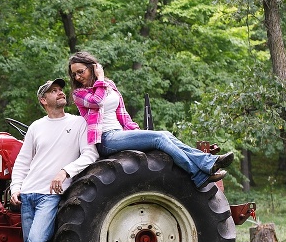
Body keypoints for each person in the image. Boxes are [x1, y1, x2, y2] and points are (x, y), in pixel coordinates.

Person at [67, 51, 233, 188]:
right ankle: (198, 172)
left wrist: (137, 132)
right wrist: (100, 79)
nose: (77, 77)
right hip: (105, 139)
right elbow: (98, 101)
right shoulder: (79, 94)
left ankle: (207, 163)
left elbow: (122, 114)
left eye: (80, 71)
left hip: (119, 133)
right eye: (74, 74)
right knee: (159, 138)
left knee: (165, 134)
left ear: (92, 68)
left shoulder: (109, 85)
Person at [10, 78, 99, 242]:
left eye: (61, 90)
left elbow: (90, 154)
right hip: (29, 194)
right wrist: (16, 186)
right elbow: (23, 160)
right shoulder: (36, 127)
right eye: (54, 91)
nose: (60, 93)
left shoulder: (78, 123)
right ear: (43, 100)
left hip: (51, 195)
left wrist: (65, 171)